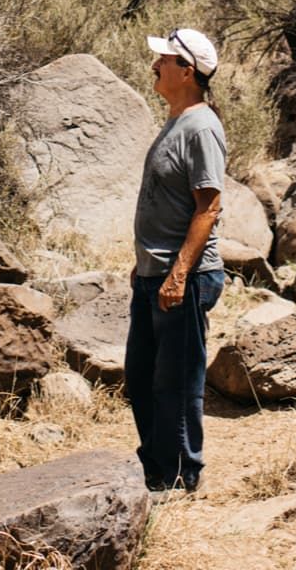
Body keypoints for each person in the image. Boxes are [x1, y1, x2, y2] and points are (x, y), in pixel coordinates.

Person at [125, 27, 227, 496]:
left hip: (182, 278)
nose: (155, 65)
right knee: (141, 377)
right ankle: (157, 468)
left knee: (178, 383)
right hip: (153, 275)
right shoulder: (177, 120)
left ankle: (184, 475)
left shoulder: (202, 126)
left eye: (164, 60)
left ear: (187, 72)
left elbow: (208, 207)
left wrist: (179, 273)